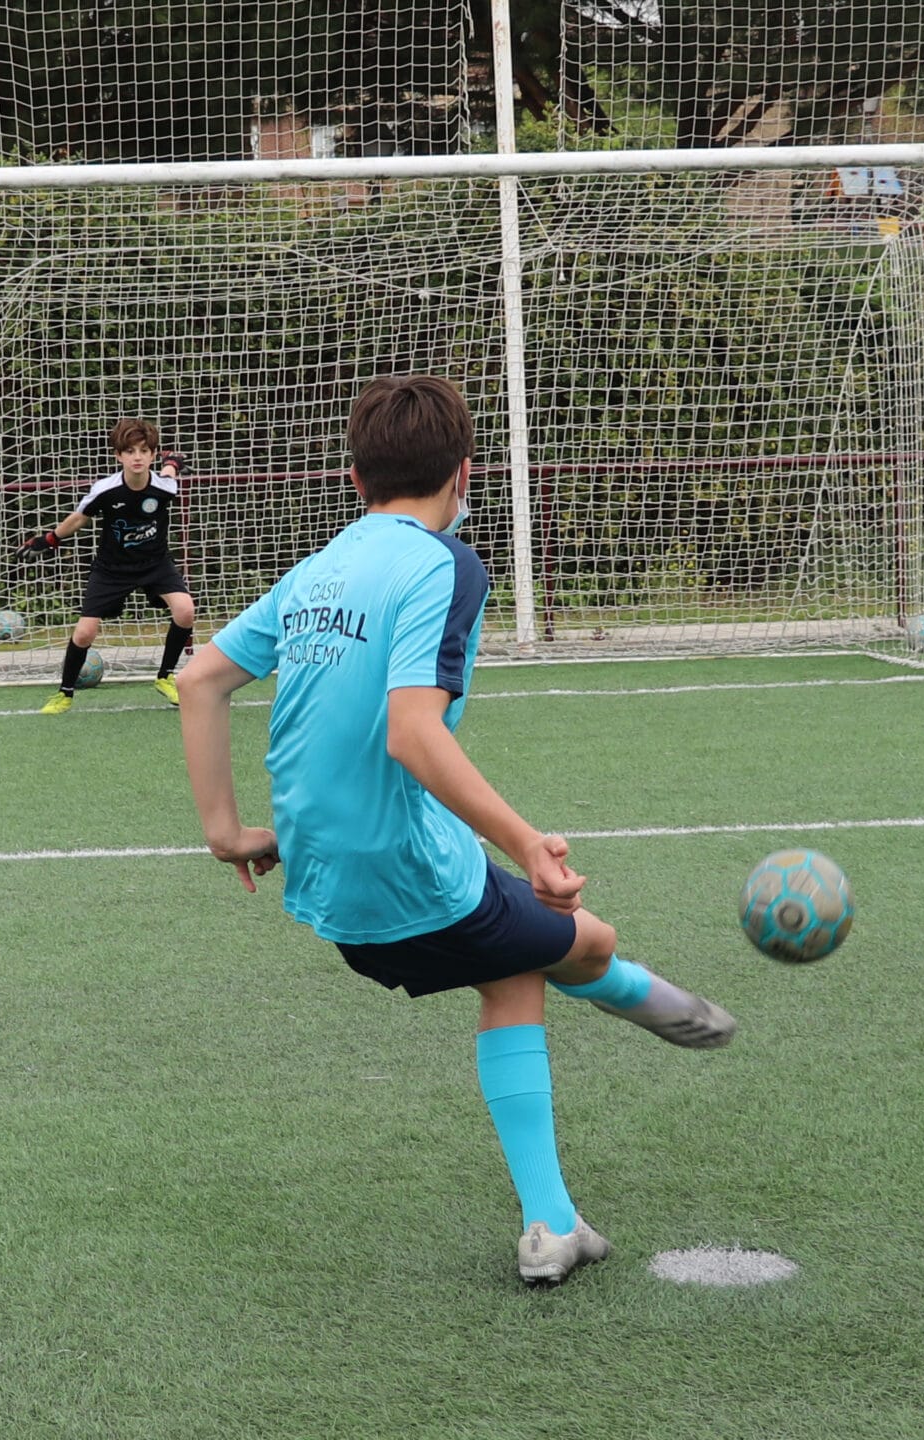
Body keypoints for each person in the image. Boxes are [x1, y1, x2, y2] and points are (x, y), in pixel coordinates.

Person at [176, 375, 737, 1286]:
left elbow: (200, 680)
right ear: (465, 473)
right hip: (408, 870)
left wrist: (227, 832)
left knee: (520, 961)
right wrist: (526, 842)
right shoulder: (447, 564)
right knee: (581, 945)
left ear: (355, 482)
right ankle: (571, 1187)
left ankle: (562, 1208)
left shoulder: (318, 568)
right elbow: (411, 730)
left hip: (321, 879)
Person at [18, 419, 193, 714]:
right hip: (111, 569)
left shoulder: (165, 488)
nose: (137, 457)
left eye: (144, 450)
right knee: (85, 633)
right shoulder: (105, 490)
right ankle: (65, 693)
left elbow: (168, 474)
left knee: (185, 610)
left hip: (155, 564)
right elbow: (80, 517)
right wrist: (48, 540)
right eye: (129, 451)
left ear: (152, 454)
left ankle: (165, 677)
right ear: (118, 456)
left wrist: (172, 462)